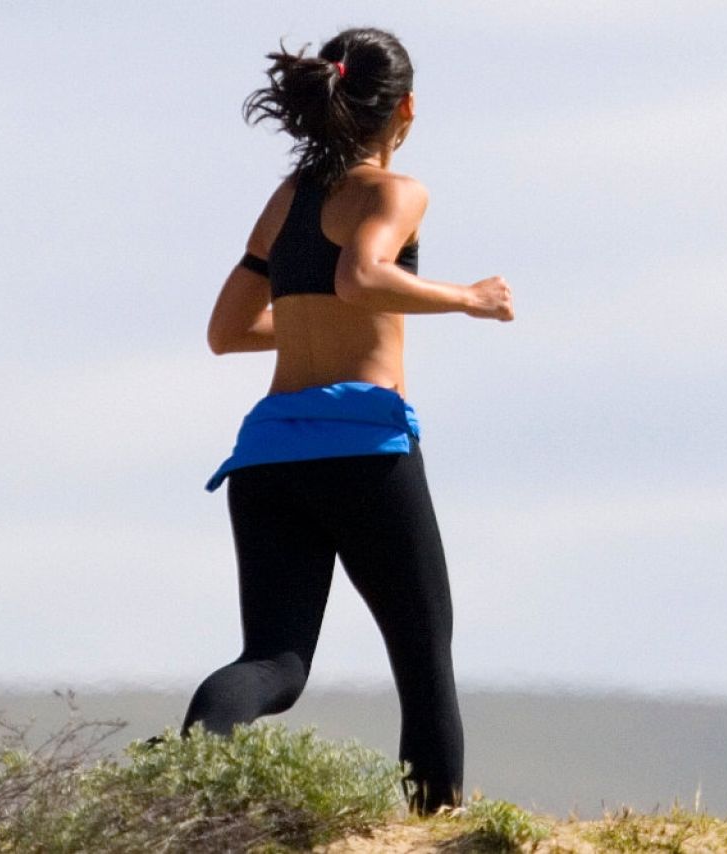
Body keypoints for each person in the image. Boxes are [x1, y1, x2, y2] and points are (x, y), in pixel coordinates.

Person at [179, 26, 513, 816]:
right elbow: (361, 275)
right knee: (423, 655)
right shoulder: (395, 192)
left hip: (266, 460)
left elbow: (226, 332)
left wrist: (307, 329)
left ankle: (190, 767)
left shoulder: (289, 198)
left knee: (274, 665)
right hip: (364, 450)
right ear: (405, 108)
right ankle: (436, 828)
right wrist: (470, 298)